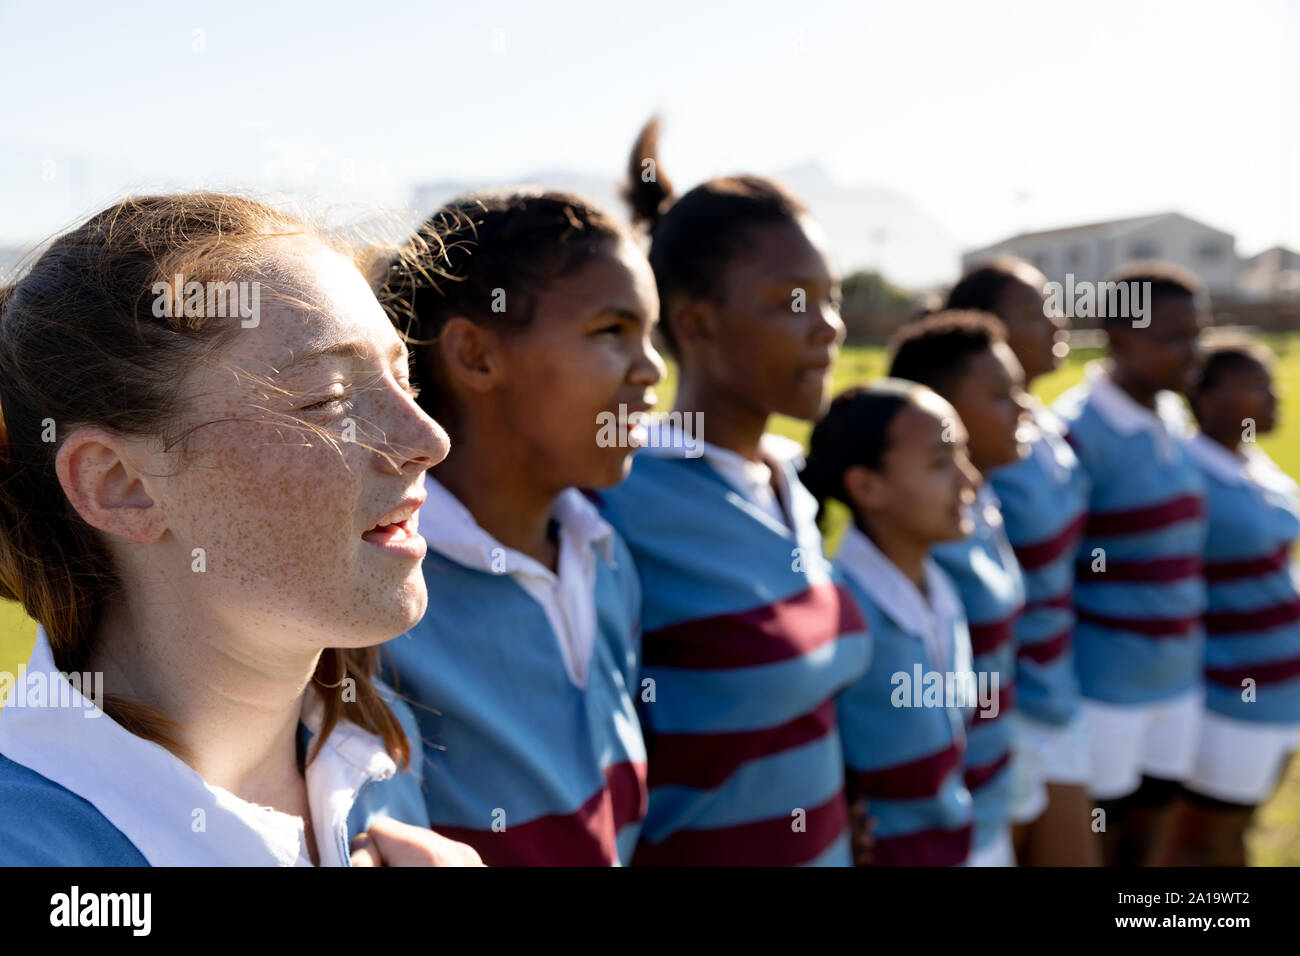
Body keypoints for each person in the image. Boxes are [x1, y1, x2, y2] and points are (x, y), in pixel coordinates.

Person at [0, 194, 479, 866]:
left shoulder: (367, 749)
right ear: (120, 485)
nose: (428, 439)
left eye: (405, 381)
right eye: (333, 400)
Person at [595, 118, 871, 865]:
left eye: (832, 296)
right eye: (793, 301)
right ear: (694, 322)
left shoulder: (789, 480)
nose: (830, 327)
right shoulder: (619, 495)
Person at [377, 188, 662, 865]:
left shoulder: (603, 554)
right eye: (611, 332)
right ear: (475, 355)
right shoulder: (376, 598)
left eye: (650, 334)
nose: (651, 369)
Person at [1051, 261, 1208, 866]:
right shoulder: (1076, 431)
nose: (1192, 352)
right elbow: (1058, 567)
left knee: (1153, 837)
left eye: (1197, 332)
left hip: (1177, 675)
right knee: (1101, 836)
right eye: (1174, 336)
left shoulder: (1171, 413)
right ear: (1120, 338)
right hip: (1105, 684)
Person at [947, 259, 1097, 865]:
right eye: (1034, 310)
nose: (1055, 319)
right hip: (1009, 706)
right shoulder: (970, 447)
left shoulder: (1045, 426)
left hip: (1058, 684)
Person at [802, 381, 979, 866]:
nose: (971, 480)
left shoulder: (941, 587)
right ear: (867, 486)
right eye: (941, 462)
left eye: (964, 456)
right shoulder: (837, 616)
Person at [888, 310, 1032, 866]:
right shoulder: (925, 531)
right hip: (945, 818)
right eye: (1001, 394)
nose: (1024, 407)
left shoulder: (982, 502)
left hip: (994, 780)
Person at [1159, 336, 1300, 865]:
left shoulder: (1252, 462)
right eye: (1256, 385)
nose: (1274, 396)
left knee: (1242, 829)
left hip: (1281, 688)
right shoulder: (1188, 473)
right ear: (1206, 397)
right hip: (1228, 697)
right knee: (1202, 844)